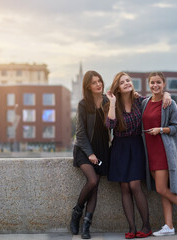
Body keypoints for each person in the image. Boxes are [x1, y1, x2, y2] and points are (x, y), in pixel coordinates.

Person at [105, 72, 171, 239]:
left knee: (135, 185)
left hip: (136, 146)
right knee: (125, 188)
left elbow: (156, 98)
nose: (127, 83)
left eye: (128, 80)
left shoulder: (140, 101)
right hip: (119, 147)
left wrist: (167, 94)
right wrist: (112, 102)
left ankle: (146, 225)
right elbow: (110, 124)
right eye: (122, 82)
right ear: (118, 88)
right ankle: (132, 227)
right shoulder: (113, 104)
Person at [141, 72, 177, 236]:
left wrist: (161, 130)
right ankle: (169, 226)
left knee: (161, 188)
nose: (155, 85)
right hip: (149, 153)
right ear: (149, 84)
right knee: (163, 189)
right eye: (152, 82)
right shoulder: (145, 103)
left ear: (164, 84)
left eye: (158, 82)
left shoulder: (170, 103)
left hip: (163, 152)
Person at [70, 70, 110, 239]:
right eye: (94, 82)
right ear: (88, 86)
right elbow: (80, 133)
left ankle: (86, 225)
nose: (98, 84)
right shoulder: (83, 104)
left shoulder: (109, 101)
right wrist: (90, 153)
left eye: (99, 80)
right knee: (92, 180)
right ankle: (76, 212)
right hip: (84, 149)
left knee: (95, 187)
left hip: (102, 149)